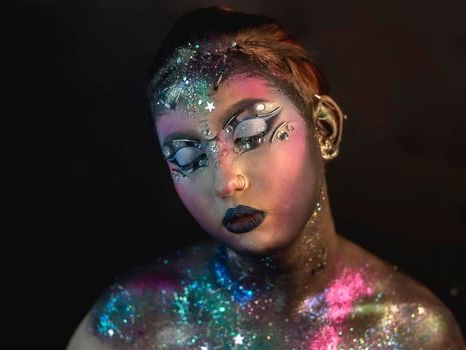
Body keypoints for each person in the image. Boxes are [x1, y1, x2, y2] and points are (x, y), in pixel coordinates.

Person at [67, 6, 465, 349]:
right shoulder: (134, 322)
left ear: (323, 129)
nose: (227, 181)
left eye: (251, 135)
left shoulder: (410, 332)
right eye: (188, 157)